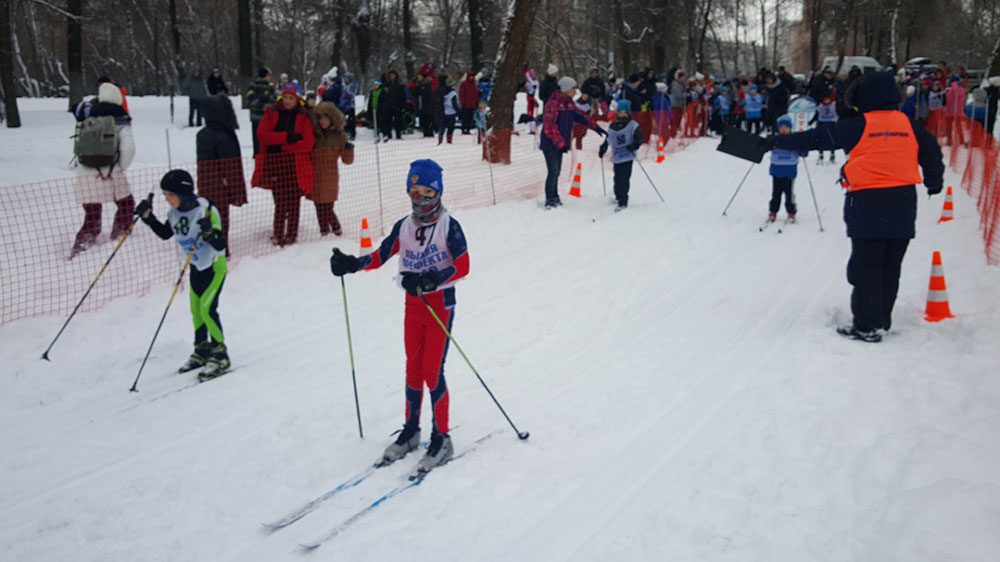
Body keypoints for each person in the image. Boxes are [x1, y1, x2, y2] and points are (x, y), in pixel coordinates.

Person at [766, 71, 944, 342]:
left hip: (866, 202)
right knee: (890, 265)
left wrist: (776, 141)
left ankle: (867, 326)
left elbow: (816, 138)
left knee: (866, 266)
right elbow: (931, 152)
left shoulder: (859, 125)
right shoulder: (910, 125)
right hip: (903, 203)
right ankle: (881, 318)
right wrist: (934, 182)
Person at [328, 159, 470, 473]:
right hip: (413, 306)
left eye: (426, 192)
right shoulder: (404, 225)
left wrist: (433, 278)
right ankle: (411, 431)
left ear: (438, 193)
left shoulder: (449, 225)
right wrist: (352, 263)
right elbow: (381, 254)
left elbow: (463, 264)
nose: (419, 199)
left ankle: (441, 438)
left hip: (439, 305)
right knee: (413, 370)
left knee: (433, 372)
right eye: (413, 192)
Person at [134, 170, 231, 380]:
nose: (167, 200)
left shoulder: (205, 210)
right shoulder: (174, 213)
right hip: (196, 266)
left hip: (214, 267)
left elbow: (221, 243)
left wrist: (209, 233)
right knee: (196, 310)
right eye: (165, 195)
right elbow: (166, 233)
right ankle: (202, 349)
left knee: (207, 308)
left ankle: (220, 354)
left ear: (184, 194)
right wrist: (148, 218)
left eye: (171, 195)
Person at [71, 82, 137, 256]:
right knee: (126, 203)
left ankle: (85, 239)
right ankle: (121, 232)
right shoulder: (120, 119)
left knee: (92, 211)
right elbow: (128, 148)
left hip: (85, 173)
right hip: (110, 172)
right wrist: (120, 167)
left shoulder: (88, 117)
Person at [252, 83, 315, 246]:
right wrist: (286, 138)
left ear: (297, 99)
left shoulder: (303, 115)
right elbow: (262, 135)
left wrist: (283, 146)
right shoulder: (272, 112)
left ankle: (292, 235)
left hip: (295, 166)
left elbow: (308, 142)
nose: (287, 101)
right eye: (285, 97)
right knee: (280, 202)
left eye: (291, 98)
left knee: (294, 202)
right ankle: (278, 234)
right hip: (275, 164)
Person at [539, 76, 607, 209]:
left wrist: (595, 127)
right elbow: (549, 126)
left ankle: (555, 196)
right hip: (551, 143)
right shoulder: (553, 103)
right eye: (573, 88)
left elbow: (581, 116)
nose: (575, 91)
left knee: (557, 171)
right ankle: (550, 199)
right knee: (553, 171)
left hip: (560, 143)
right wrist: (560, 142)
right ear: (566, 89)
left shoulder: (569, 103)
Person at [196, 95, 247, 246]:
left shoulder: (204, 134)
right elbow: (231, 167)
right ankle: (220, 248)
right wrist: (236, 191)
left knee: (211, 216)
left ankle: (213, 244)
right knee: (220, 217)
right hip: (220, 185)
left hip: (207, 184)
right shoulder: (223, 136)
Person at [308, 101, 354, 236]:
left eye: (326, 118)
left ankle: (336, 229)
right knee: (318, 205)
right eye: (320, 118)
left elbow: (347, 161)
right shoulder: (314, 134)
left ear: (333, 118)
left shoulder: (339, 136)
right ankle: (324, 231)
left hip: (330, 175)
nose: (323, 121)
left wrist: (349, 150)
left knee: (327, 206)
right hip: (315, 175)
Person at [598, 99, 643, 210]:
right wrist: (603, 147)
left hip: (627, 156)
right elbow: (610, 137)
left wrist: (634, 146)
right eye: (619, 112)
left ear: (628, 113)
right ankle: (618, 196)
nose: (621, 114)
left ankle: (623, 201)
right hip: (617, 157)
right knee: (617, 178)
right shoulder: (614, 125)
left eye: (624, 112)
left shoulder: (633, 125)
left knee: (624, 179)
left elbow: (639, 138)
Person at [766, 115, 800, 223]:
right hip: (776, 171)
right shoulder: (774, 140)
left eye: (786, 127)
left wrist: (803, 150)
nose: (784, 129)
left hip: (789, 171)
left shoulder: (795, 139)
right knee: (776, 193)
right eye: (781, 127)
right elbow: (764, 147)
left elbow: (804, 150)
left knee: (789, 194)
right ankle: (773, 212)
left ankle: (791, 212)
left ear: (790, 128)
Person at [245, 67, 276, 155]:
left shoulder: (270, 87)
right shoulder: (253, 85)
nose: (270, 77)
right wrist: (264, 106)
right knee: (258, 140)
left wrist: (272, 105)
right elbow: (251, 100)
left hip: (268, 119)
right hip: (257, 118)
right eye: (268, 75)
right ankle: (258, 156)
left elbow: (274, 99)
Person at [435, 73, 460, 145]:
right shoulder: (451, 92)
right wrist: (458, 112)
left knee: (441, 127)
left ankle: (440, 140)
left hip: (440, 111)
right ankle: (449, 141)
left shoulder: (437, 89)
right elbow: (454, 103)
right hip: (450, 112)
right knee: (450, 127)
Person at [812, 96, 838, 163]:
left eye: (828, 99)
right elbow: (816, 115)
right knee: (821, 139)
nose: (826, 101)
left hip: (831, 122)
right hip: (822, 122)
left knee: (832, 139)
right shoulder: (820, 106)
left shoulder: (834, 105)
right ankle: (821, 154)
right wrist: (811, 121)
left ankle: (832, 154)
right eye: (825, 99)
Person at [459, 70, 479, 135]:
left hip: (472, 104)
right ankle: (464, 129)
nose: (471, 77)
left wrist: (476, 102)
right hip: (466, 104)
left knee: (470, 118)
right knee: (465, 118)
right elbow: (462, 94)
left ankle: (467, 129)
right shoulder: (464, 84)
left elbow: (475, 93)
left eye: (472, 76)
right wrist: (463, 102)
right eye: (470, 76)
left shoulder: (474, 84)